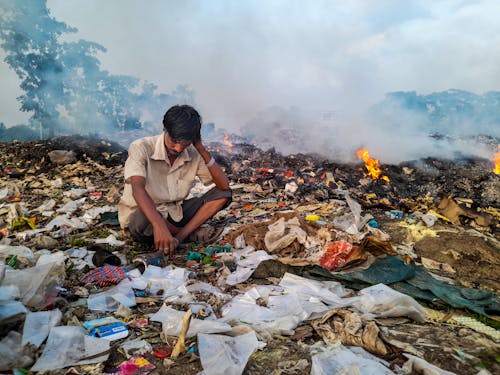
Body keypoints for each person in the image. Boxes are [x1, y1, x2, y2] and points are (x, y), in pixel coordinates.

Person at [118, 105, 232, 257]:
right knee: (143, 216)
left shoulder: (192, 152)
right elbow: (137, 189)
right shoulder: (142, 147)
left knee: (223, 194)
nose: (178, 148)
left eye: (185, 143)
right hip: (145, 218)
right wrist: (159, 225)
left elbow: (223, 186)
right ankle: (188, 233)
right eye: (174, 141)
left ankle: (179, 237)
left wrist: (201, 148)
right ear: (165, 129)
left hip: (175, 214)